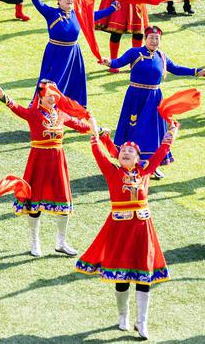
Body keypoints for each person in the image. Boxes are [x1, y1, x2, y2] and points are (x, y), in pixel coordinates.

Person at [75, 123, 177, 339]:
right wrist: (95, 136)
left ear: (138, 158)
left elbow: (160, 153)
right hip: (120, 229)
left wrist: (170, 135)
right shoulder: (112, 172)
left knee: (143, 276)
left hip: (142, 230)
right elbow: (99, 154)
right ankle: (123, 316)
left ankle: (142, 322)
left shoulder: (146, 172)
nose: (126, 153)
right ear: (118, 157)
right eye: (123, 151)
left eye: (131, 151)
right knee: (121, 275)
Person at [0, 81, 92, 257]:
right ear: (41, 96)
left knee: (63, 201)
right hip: (39, 161)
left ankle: (61, 242)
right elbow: (17, 108)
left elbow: (79, 125)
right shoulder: (34, 114)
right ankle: (35, 242)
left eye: (55, 94)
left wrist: (98, 129)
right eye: (49, 95)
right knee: (35, 203)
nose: (53, 98)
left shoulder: (61, 114)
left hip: (58, 162)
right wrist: (2, 95)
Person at [97, 26, 203, 177]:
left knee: (151, 131)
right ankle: (127, 162)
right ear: (145, 39)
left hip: (154, 99)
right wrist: (109, 62)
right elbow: (119, 62)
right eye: (151, 38)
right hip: (135, 97)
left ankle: (150, 165)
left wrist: (196, 71)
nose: (154, 41)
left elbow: (177, 69)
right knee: (134, 129)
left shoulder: (162, 57)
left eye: (157, 39)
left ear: (160, 41)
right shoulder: (134, 52)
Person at [24, 0, 117, 106]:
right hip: (55, 53)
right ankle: (42, 106)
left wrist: (112, 8)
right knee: (51, 80)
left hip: (73, 54)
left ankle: (70, 108)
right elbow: (39, 5)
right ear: (59, 0)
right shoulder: (52, 13)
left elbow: (95, 15)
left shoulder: (77, 14)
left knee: (74, 81)